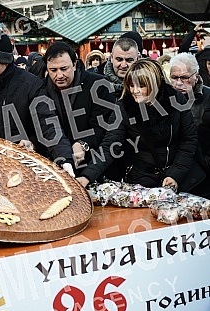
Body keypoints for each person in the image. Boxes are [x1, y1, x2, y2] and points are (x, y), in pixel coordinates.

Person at [0, 29, 75, 176]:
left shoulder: (30, 85)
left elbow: (48, 125)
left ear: (5, 61)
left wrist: (64, 159)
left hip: (19, 166)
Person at [77, 59, 205, 192]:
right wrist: (87, 176)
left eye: (141, 86)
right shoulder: (124, 107)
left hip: (180, 176)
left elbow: (188, 140)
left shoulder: (176, 99)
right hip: (141, 180)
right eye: (131, 85)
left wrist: (175, 175)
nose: (135, 91)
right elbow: (110, 145)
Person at [41, 41, 115, 176]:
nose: (59, 75)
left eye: (64, 69)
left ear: (74, 65)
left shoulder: (98, 85)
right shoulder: (40, 90)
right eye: (53, 70)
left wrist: (84, 143)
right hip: (55, 166)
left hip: (96, 166)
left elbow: (105, 127)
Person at [169, 53, 210, 197]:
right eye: (174, 78)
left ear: (196, 76)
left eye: (185, 77)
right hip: (174, 173)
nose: (179, 83)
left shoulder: (208, 97)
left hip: (203, 174)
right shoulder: (164, 99)